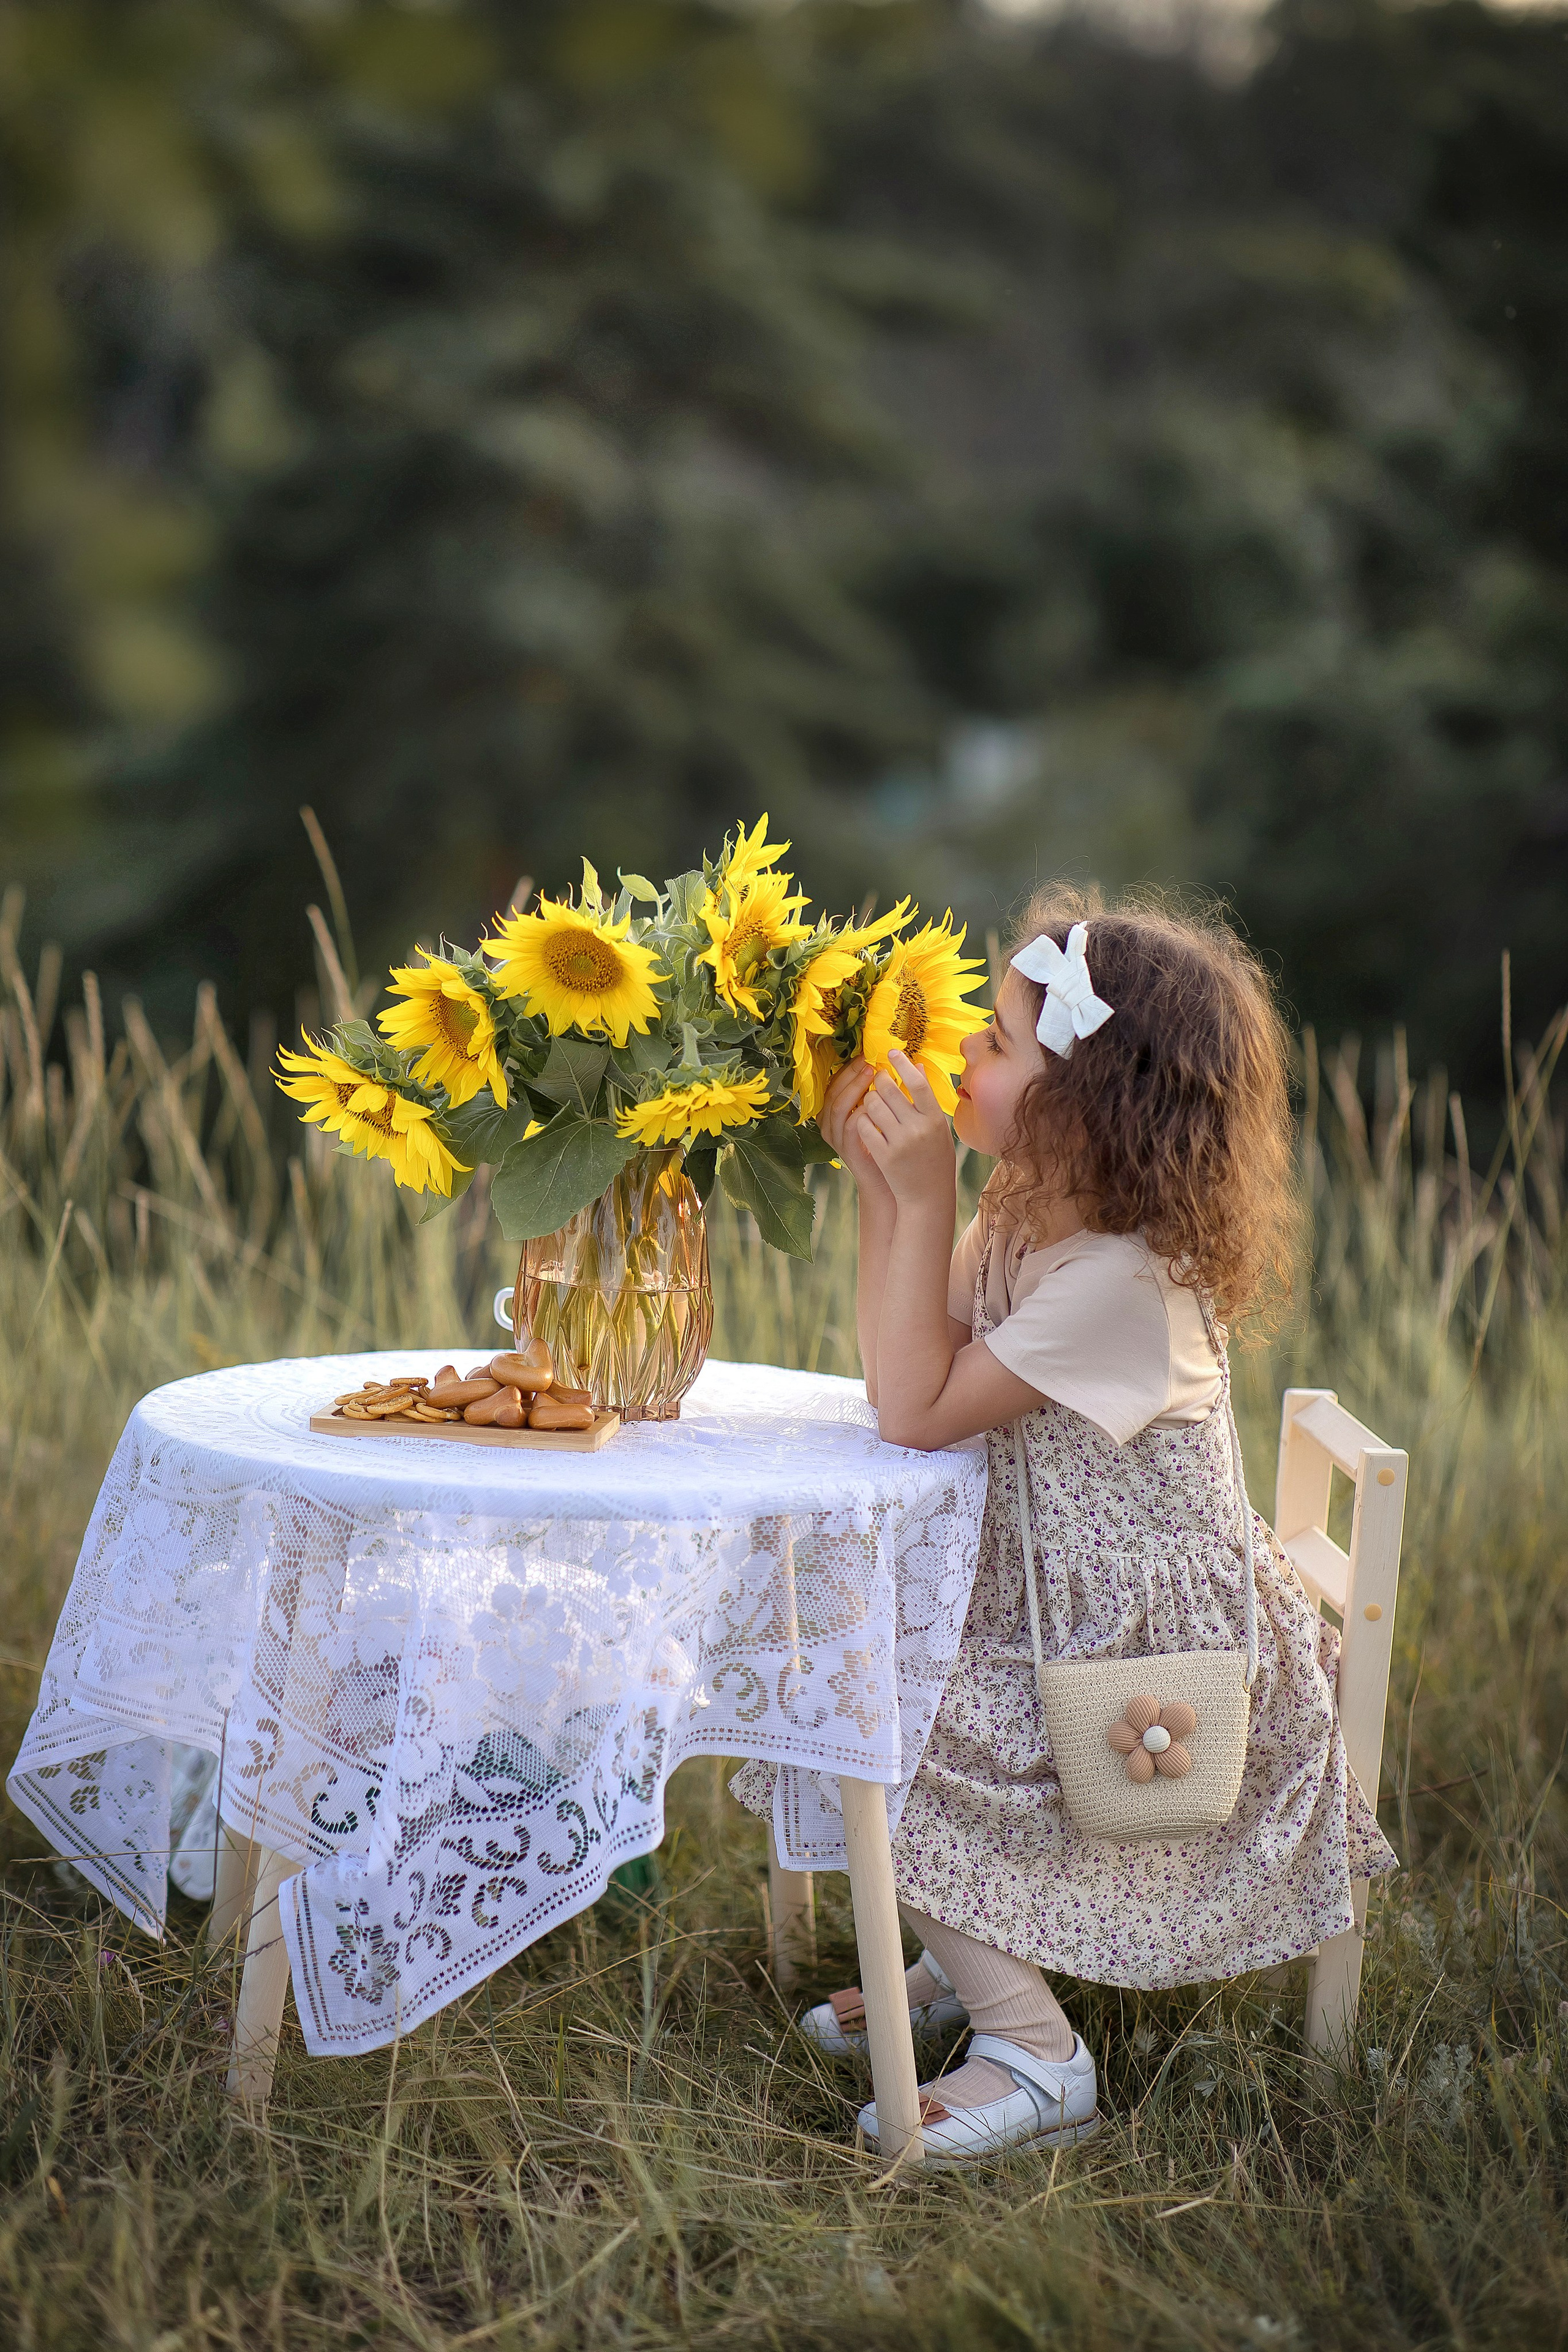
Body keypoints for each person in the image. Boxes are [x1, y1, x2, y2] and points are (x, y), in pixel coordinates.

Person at [734, 886, 1398, 2166]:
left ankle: (1033, 2051)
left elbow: (916, 1413)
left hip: (1132, 1654)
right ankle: (965, 1949)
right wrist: (886, 1191)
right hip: (1052, 1602)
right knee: (854, 1661)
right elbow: (899, 1375)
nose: (956, 1059)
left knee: (873, 1714)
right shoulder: (1038, 1216)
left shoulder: (1117, 1281)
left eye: (991, 1045)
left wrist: (920, 1203)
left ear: (1088, 1105)